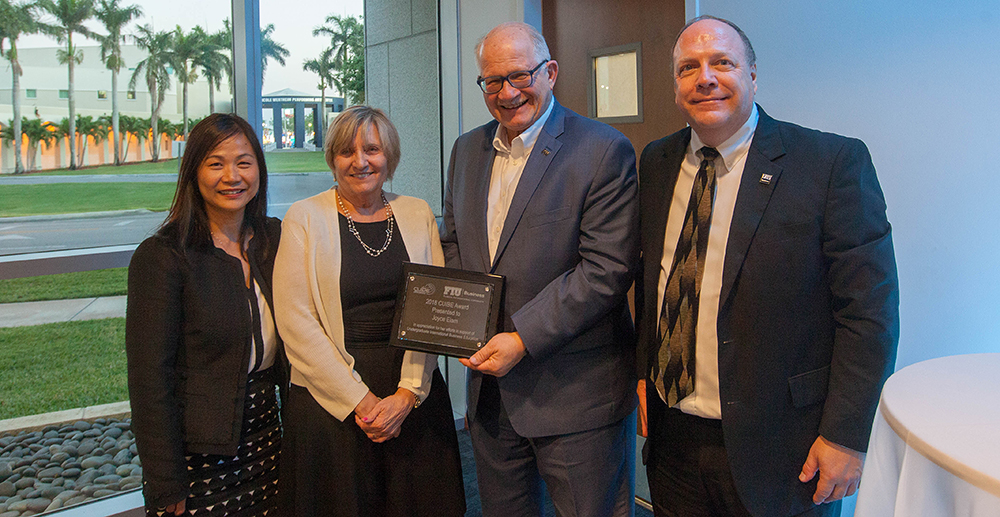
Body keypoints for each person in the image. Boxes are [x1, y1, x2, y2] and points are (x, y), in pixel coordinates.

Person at [636, 15, 900, 517]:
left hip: (785, 449)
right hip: (674, 440)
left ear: (753, 75)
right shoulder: (656, 161)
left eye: (722, 63)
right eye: (688, 68)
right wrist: (642, 374)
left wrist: (847, 436)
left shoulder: (829, 163)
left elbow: (870, 313)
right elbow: (653, 282)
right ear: (675, 87)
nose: (705, 78)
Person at [441, 22, 640, 517]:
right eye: (492, 81)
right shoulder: (467, 150)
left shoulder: (602, 149)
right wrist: (459, 324)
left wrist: (521, 338)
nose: (507, 93)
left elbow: (606, 270)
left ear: (549, 72)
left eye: (520, 76)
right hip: (490, 398)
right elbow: (453, 245)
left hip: (576, 398)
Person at [273, 105, 465, 517]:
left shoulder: (416, 212)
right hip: (332, 403)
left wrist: (406, 394)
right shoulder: (304, 218)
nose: (360, 161)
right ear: (332, 159)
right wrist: (361, 401)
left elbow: (431, 310)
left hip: (412, 397)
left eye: (372, 149)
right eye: (346, 151)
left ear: (389, 157)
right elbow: (296, 322)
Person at [126, 113, 285, 516]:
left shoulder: (273, 239)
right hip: (199, 458)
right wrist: (164, 483)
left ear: (259, 172)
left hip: (271, 443)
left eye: (244, 163)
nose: (232, 176)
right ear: (193, 172)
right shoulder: (164, 257)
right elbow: (149, 381)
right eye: (216, 163)